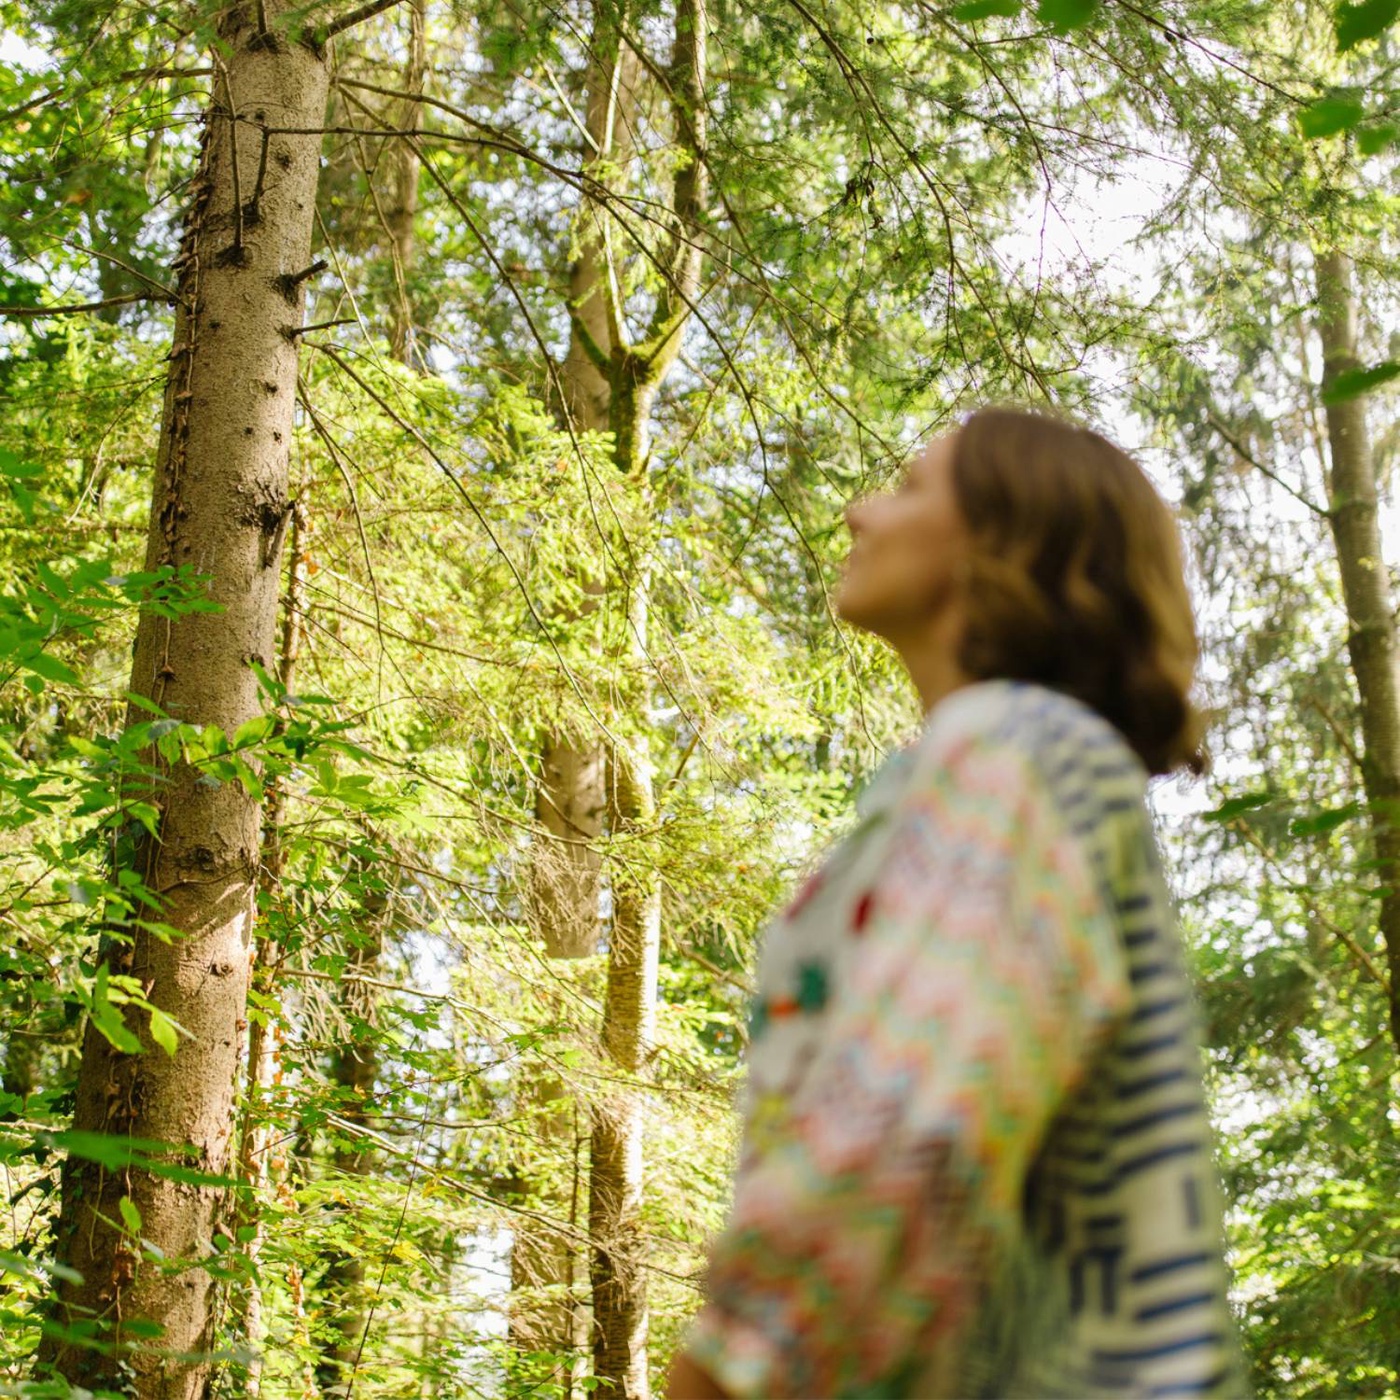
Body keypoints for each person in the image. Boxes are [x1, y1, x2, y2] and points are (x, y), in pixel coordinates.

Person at [666, 407, 1247, 1399]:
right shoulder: (993, 764)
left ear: (1002, 540)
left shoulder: (1015, 750)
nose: (856, 512)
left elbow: (905, 1142)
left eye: (903, 488)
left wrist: (721, 1373)